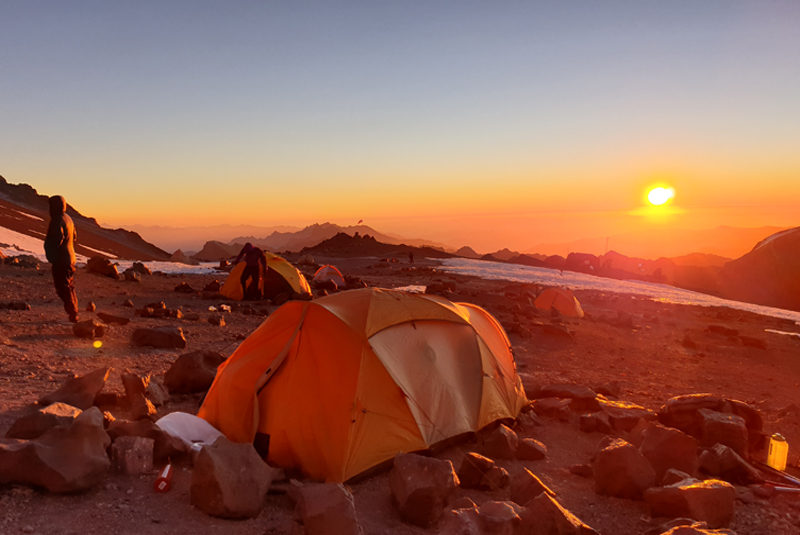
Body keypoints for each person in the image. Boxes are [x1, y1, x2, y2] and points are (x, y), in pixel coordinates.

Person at [44, 195, 79, 323]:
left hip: (62, 260)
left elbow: (56, 239)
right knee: (69, 286)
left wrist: (52, 254)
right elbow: (74, 236)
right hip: (70, 258)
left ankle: (73, 315)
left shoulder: (57, 220)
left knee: (63, 288)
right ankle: (74, 312)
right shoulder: (68, 218)